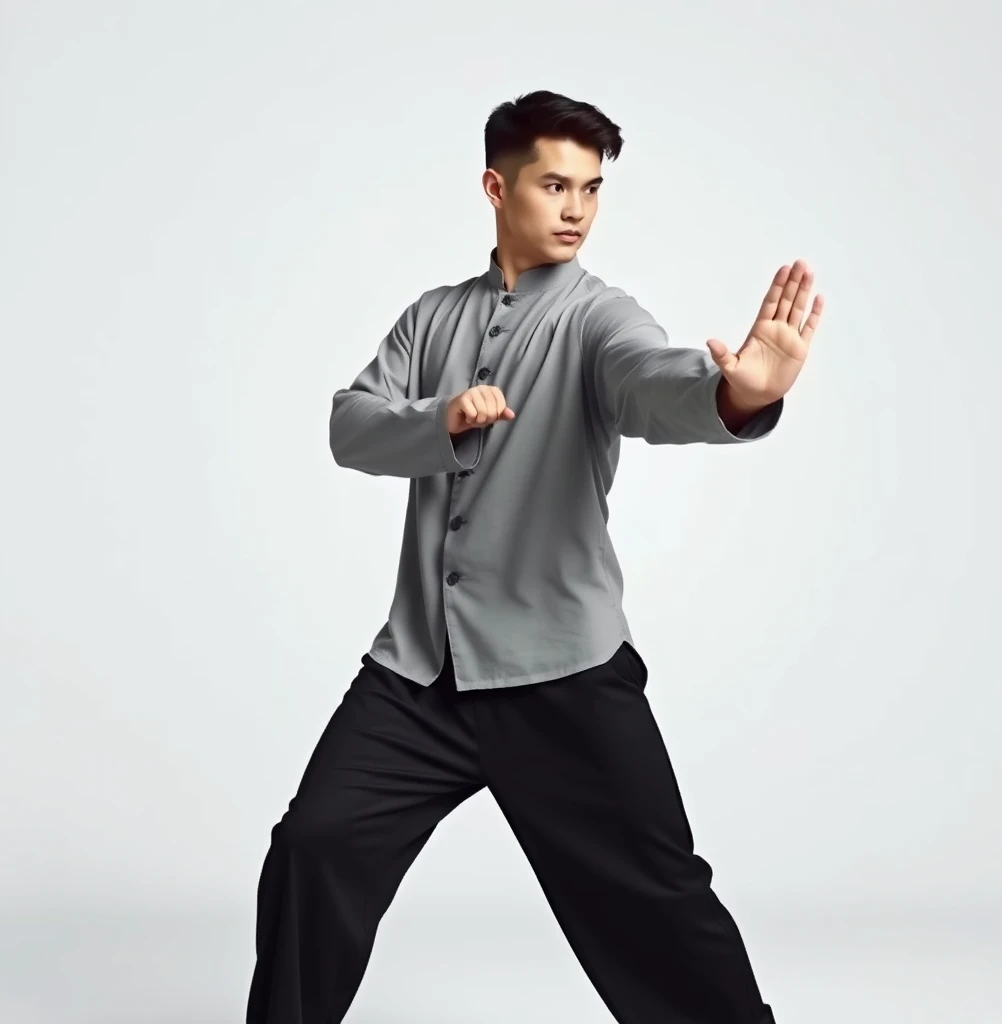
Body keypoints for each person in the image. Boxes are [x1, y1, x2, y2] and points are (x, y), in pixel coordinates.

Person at [245, 88, 824, 1024]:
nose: (576, 210)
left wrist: (736, 395)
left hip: (562, 674)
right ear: (494, 186)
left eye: (592, 190)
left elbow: (652, 380)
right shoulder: (430, 318)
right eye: (555, 184)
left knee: (657, 901)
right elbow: (351, 426)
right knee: (314, 846)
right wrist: (440, 419)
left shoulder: (599, 319)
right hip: (419, 675)